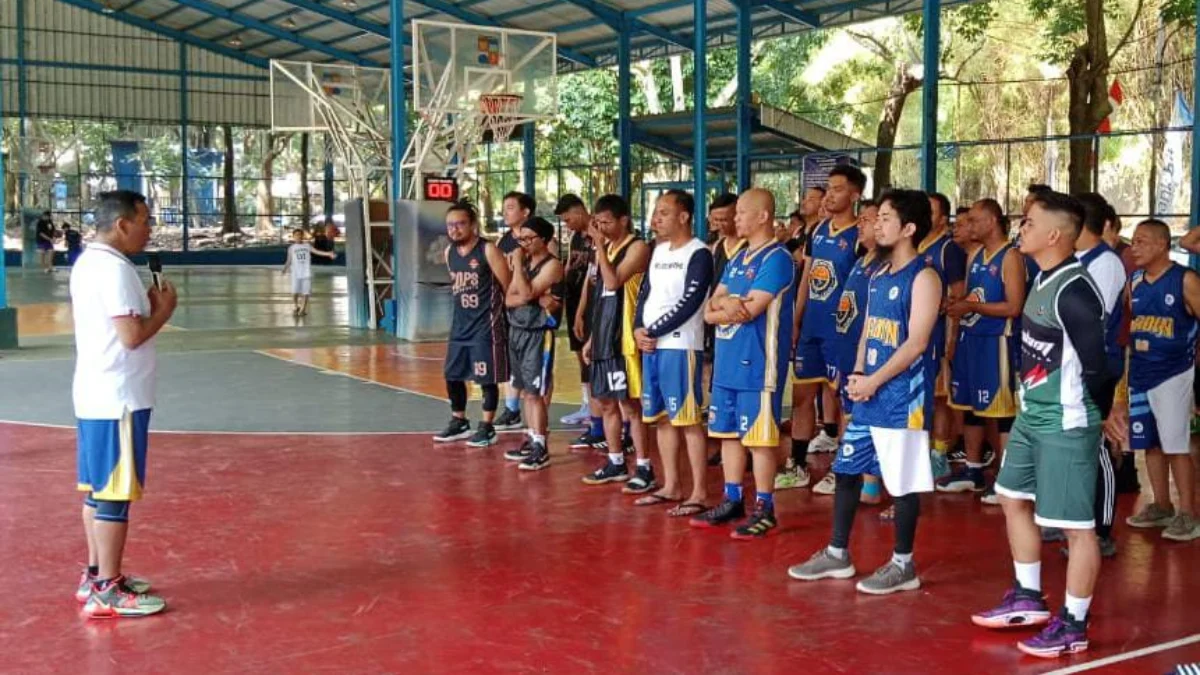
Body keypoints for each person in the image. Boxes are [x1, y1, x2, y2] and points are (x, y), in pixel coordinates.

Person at [971, 191, 1115, 660]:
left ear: (1054, 235)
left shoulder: (1074, 291)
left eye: (1029, 223)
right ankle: (1029, 596)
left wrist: (1093, 419)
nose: (1021, 230)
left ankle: (1074, 624)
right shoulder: (1042, 275)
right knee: (1012, 497)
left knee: (1077, 529)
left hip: (1066, 422)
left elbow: (1098, 366)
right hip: (1033, 416)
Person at [788, 189, 941, 593]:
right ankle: (838, 553)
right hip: (868, 393)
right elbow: (867, 332)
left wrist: (875, 380)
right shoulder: (877, 275)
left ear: (908, 228)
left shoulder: (924, 277)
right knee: (847, 469)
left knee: (902, 482)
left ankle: (903, 564)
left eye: (887, 217)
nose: (877, 223)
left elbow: (917, 343)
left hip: (901, 399)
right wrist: (858, 373)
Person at [71, 190, 178, 618]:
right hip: (119, 398)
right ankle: (107, 591)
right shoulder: (115, 270)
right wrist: (164, 310)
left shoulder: (88, 262)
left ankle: (97, 574)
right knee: (115, 494)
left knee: (98, 492)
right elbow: (131, 337)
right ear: (122, 224)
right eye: (145, 221)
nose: (149, 229)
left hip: (96, 392)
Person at [692, 188, 796, 539]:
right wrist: (728, 305)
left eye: (741, 213)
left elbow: (751, 309)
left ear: (763, 216)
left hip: (758, 365)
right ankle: (732, 498)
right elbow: (709, 310)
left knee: (760, 439)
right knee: (727, 434)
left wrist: (729, 305)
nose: (735, 219)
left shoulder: (776, 258)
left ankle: (765, 507)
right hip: (726, 364)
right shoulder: (738, 258)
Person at [1051, 192, 1126, 557]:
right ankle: (1070, 517)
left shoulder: (1106, 263)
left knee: (1094, 443)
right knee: (1069, 443)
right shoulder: (1071, 260)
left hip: (1096, 368)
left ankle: (1101, 527)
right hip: (1066, 366)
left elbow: (1094, 320)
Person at [785, 165, 867, 490]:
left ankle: (843, 471)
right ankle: (797, 465)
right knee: (802, 394)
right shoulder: (817, 231)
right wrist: (796, 319)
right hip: (811, 329)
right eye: (828, 188)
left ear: (855, 194)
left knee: (845, 401)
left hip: (843, 332)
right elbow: (807, 275)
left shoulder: (860, 236)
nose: (830, 194)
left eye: (837, 188)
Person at [633, 190, 713, 515]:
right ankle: (671, 485)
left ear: (683, 217)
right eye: (656, 211)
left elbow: (690, 302)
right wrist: (639, 327)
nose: (656, 218)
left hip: (680, 346)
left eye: (664, 212)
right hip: (653, 345)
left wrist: (654, 330)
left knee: (688, 419)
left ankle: (699, 492)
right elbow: (645, 294)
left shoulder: (699, 253)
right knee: (663, 420)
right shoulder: (658, 250)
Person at [1120, 219, 1200, 541]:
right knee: (1148, 442)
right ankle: (1161, 505)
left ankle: (1188, 514)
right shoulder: (1134, 281)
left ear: (1162, 245)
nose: (1134, 248)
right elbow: (1132, 324)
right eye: (1133, 241)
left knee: (1176, 444)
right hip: (1140, 372)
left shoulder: (1186, 280)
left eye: (1141, 242)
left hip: (1174, 373)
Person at [940, 199, 1025, 498]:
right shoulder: (974, 254)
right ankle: (974, 469)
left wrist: (970, 306)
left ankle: (1007, 479)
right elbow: (968, 299)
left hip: (996, 343)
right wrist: (954, 308)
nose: (968, 226)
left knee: (1002, 414)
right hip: (969, 340)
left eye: (974, 221)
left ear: (991, 221)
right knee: (971, 408)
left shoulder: (1010, 257)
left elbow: (1014, 306)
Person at [580, 195, 656, 493]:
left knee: (630, 405)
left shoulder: (636, 247)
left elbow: (613, 283)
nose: (601, 228)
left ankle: (645, 466)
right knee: (606, 402)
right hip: (604, 335)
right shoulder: (607, 247)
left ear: (624, 220)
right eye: (597, 223)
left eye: (607, 222)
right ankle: (615, 462)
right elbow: (601, 295)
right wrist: (591, 338)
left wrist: (598, 245)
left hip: (624, 337)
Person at [811, 200, 882, 498]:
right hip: (846, 349)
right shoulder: (859, 262)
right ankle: (846, 471)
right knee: (848, 414)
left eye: (868, 220)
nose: (862, 226)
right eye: (862, 220)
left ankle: (870, 483)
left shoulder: (883, 267)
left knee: (866, 418)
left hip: (864, 355)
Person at [433, 201, 512, 447]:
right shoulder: (449, 253)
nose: (454, 230)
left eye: (460, 224)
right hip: (460, 326)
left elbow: (508, 286)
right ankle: (459, 421)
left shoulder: (488, 250)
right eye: (450, 225)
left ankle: (487, 427)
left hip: (486, 326)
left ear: (473, 225)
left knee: (486, 378)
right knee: (452, 375)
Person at [501, 217, 564, 471]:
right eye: (521, 239)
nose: (524, 244)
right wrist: (528, 294)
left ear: (545, 240)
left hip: (538, 333)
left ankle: (540, 445)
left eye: (529, 239)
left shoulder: (553, 265)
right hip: (517, 329)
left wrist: (516, 267)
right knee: (526, 391)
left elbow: (524, 294)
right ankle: (531, 437)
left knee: (536, 392)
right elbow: (509, 298)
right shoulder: (525, 263)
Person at [923, 193, 968, 481]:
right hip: (913, 337)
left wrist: (951, 339)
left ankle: (939, 455)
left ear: (942, 219)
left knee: (940, 398)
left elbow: (958, 295)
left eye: (930, 211)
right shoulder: (912, 245)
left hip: (937, 336)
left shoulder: (947, 249)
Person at [494, 191, 536, 431]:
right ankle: (512, 410)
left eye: (510, 207)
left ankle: (535, 426)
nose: (505, 212)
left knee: (532, 368)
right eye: (504, 207)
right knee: (512, 362)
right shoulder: (504, 241)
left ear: (525, 212)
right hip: (510, 308)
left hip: (532, 312)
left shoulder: (537, 239)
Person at [555, 194, 598, 429]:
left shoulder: (598, 234)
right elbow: (570, 266)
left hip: (593, 303)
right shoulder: (574, 239)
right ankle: (586, 404)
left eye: (568, 219)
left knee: (592, 354)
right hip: (574, 302)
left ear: (580, 211)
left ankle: (598, 407)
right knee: (579, 353)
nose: (567, 224)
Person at [282, 228, 336, 316]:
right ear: (293, 237)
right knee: (294, 292)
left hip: (306, 273)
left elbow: (317, 252)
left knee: (305, 292)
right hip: (295, 273)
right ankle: (296, 306)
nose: (298, 237)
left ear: (302, 236)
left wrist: (328, 253)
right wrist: (285, 268)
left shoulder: (307, 246)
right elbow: (289, 260)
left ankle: (303, 309)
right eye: (296, 235)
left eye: (300, 235)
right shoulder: (291, 248)